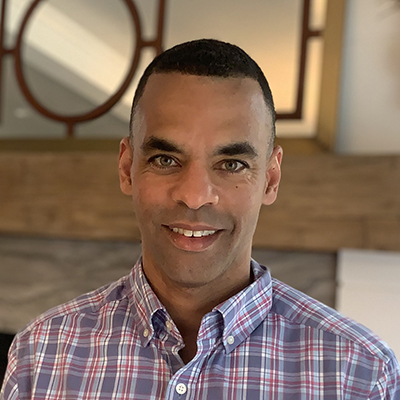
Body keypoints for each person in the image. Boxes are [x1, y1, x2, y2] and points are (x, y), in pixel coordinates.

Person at [1, 39, 399, 400]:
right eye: (165, 159)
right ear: (126, 169)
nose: (194, 196)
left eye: (232, 164)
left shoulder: (359, 376)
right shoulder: (41, 355)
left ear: (271, 179)